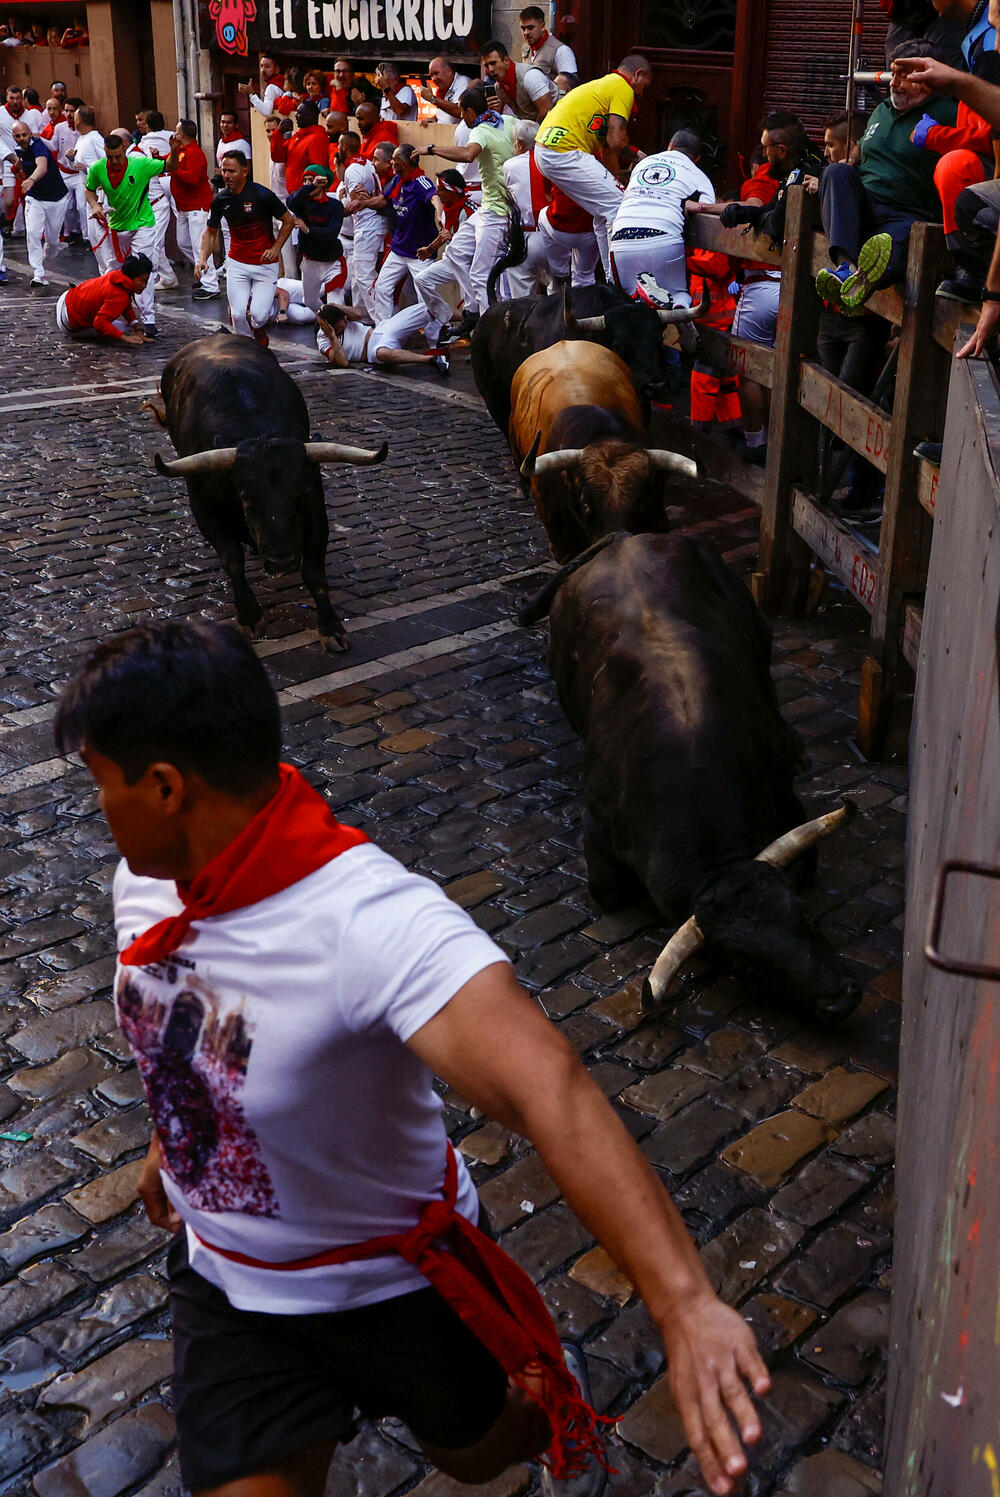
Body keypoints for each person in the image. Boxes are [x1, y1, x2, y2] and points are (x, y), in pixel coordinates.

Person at [55, 619, 770, 1497]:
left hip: (397, 1286)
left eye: (101, 785)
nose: (99, 810)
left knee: (472, 1455)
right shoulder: (145, 881)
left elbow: (550, 1088)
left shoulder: (371, 922)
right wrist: (181, 1137)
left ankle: (537, 1404)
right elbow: (193, 1031)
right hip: (235, 1291)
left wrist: (684, 1301)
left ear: (166, 787)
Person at [814, 41, 958, 313]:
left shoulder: (949, 111)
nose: (894, 82)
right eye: (894, 73)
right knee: (835, 172)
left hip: (908, 214)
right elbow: (870, 142)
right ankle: (846, 269)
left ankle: (861, 284)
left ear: (930, 75)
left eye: (905, 75)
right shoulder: (882, 111)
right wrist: (853, 157)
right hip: (866, 206)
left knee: (889, 247)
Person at [534, 55, 653, 274]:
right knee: (619, 205)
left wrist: (619, 178)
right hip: (564, 151)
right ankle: (621, 280)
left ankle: (611, 276)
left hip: (544, 150)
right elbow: (616, 141)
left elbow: (606, 149)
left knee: (603, 209)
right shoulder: (622, 87)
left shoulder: (602, 87)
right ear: (638, 75)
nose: (641, 94)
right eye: (644, 86)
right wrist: (638, 157)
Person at [414, 86, 516, 335]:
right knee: (457, 252)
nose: (461, 116)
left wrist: (432, 149)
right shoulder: (508, 121)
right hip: (489, 207)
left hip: (498, 212)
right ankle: (472, 311)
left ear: (470, 111)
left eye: (461, 111)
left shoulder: (481, 129)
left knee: (481, 274)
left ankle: (489, 335)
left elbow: (468, 154)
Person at [85, 129, 179, 333]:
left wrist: (174, 150)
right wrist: (94, 205)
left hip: (143, 223)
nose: (115, 161)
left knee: (143, 267)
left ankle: (149, 318)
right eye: (110, 157)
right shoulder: (98, 168)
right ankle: (105, 310)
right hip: (118, 226)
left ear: (125, 149)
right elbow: (89, 188)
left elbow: (170, 166)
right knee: (113, 271)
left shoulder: (140, 164)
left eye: (118, 156)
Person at [196, 148, 294, 343]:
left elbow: (289, 221)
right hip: (237, 263)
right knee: (238, 314)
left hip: (265, 265)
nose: (226, 175)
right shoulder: (220, 200)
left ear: (244, 171)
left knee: (258, 316)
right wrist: (202, 259)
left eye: (231, 171)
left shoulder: (262, 194)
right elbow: (210, 232)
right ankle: (249, 348)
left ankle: (257, 332)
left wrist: (275, 248)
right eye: (224, 171)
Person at [608, 129, 715, 306]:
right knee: (678, 294)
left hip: (621, 239)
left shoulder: (643, 164)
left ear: (670, 147)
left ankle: (639, 298)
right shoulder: (699, 176)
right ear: (696, 159)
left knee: (625, 302)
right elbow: (706, 212)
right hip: (663, 239)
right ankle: (679, 305)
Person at [370, 143, 438, 321]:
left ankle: (434, 342)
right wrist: (362, 204)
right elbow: (384, 200)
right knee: (382, 288)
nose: (391, 163)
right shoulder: (397, 181)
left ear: (403, 163)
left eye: (394, 160)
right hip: (399, 249)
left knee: (427, 298)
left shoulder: (420, 182)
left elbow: (434, 196)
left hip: (420, 253)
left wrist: (439, 214)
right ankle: (382, 332)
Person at [316, 299, 450, 373]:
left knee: (429, 308)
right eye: (341, 326)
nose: (345, 325)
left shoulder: (344, 318)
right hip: (373, 350)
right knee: (382, 353)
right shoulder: (324, 340)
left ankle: (467, 317)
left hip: (382, 330)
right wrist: (332, 337)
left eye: (345, 322)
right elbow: (343, 363)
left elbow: (358, 314)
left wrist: (334, 306)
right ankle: (433, 359)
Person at [12, 118, 68, 287]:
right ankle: (38, 273)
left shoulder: (38, 146)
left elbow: (42, 166)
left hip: (56, 197)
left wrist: (31, 180)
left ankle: (53, 246)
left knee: (52, 241)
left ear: (30, 134)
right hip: (35, 198)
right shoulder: (18, 149)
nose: (21, 138)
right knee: (33, 233)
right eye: (17, 136)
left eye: (24, 135)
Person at [55, 251, 154, 342]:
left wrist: (136, 328)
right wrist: (125, 338)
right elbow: (99, 323)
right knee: (121, 328)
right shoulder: (119, 295)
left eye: (146, 281)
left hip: (65, 298)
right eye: (142, 280)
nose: (144, 285)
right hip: (68, 322)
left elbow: (125, 305)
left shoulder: (117, 276)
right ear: (132, 278)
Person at [171, 119, 219, 300]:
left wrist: (173, 168)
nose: (175, 134)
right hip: (184, 207)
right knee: (183, 243)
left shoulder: (195, 153)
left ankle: (211, 285)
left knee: (201, 247)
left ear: (182, 134)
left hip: (197, 207)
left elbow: (191, 179)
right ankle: (204, 271)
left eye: (177, 131)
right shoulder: (182, 151)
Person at [287, 162, 346, 311]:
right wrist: (310, 186)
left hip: (332, 263)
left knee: (336, 304)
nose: (307, 183)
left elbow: (332, 233)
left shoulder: (335, 205)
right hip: (310, 263)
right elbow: (292, 202)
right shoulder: (302, 203)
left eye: (311, 179)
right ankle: (324, 320)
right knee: (309, 301)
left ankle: (336, 329)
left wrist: (308, 230)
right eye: (305, 180)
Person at [501, 120, 549, 297]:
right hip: (552, 236)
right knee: (557, 292)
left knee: (521, 299)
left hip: (524, 237)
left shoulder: (509, 166)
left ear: (520, 143)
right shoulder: (550, 161)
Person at [339, 130, 382, 320]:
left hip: (368, 225)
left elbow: (356, 204)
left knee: (364, 277)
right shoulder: (367, 164)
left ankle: (380, 319)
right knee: (358, 276)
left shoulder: (353, 170)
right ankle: (362, 317)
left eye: (340, 145)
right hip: (372, 223)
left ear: (344, 147)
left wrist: (336, 210)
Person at [133, 109, 177, 290]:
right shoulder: (172, 136)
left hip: (159, 191)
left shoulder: (143, 144)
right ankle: (166, 275)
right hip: (172, 184)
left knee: (155, 243)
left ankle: (163, 276)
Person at [71, 106, 112, 271]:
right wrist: (71, 161)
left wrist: (86, 168)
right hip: (88, 194)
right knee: (93, 236)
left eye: (74, 117)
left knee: (103, 236)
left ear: (79, 120)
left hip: (101, 195)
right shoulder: (80, 139)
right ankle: (103, 274)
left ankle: (110, 271)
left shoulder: (95, 138)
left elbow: (107, 164)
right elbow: (77, 165)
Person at [480, 38, 556, 123]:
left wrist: (534, 134)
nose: (490, 69)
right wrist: (495, 111)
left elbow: (546, 111)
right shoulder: (498, 88)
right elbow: (497, 120)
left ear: (506, 60)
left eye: (493, 63)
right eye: (486, 66)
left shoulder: (530, 77)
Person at [269, 100, 329, 196]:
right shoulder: (298, 136)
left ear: (311, 116)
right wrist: (279, 133)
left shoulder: (318, 138)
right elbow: (278, 157)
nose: (296, 115)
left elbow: (318, 172)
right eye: (297, 112)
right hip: (295, 197)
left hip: (306, 198)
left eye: (300, 113)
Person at [519, 5, 579, 90]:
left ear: (542, 26)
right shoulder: (526, 49)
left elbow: (570, 87)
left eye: (530, 28)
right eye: (523, 28)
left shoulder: (561, 50)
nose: (526, 33)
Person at [420, 57, 467, 122]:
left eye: (436, 73)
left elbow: (459, 111)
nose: (433, 79)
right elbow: (447, 115)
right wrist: (434, 119)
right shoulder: (443, 89)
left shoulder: (463, 82)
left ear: (449, 71)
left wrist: (432, 98)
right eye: (431, 75)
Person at [241, 53, 285, 118]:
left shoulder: (271, 88)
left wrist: (251, 94)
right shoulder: (282, 82)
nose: (263, 70)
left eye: (267, 67)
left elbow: (266, 111)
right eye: (261, 66)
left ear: (277, 69)